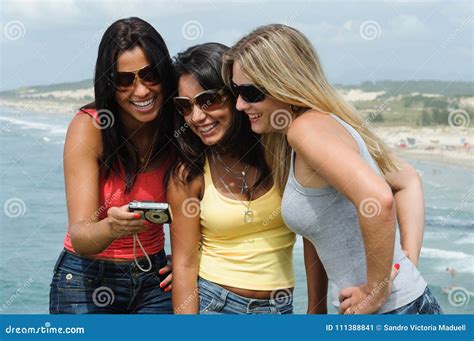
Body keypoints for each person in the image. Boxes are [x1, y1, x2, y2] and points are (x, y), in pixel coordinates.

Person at [223, 24, 442, 314]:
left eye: (250, 93)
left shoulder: (306, 131)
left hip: (390, 312)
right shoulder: (316, 129)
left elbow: (378, 199)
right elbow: (407, 179)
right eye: (236, 91)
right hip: (400, 306)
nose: (239, 104)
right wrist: (405, 263)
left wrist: (377, 290)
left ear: (283, 83)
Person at [49, 17, 175, 314]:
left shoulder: (178, 122)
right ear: (109, 83)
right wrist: (112, 227)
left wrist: (185, 260)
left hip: (154, 280)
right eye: (124, 80)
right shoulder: (89, 128)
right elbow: (81, 236)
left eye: (150, 74)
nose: (141, 91)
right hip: (85, 279)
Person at [167, 43, 296, 314]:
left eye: (208, 100)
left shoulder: (283, 152)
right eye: (185, 106)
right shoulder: (188, 174)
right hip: (215, 305)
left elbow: (316, 236)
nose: (197, 117)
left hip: (281, 309)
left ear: (236, 95)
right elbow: (184, 266)